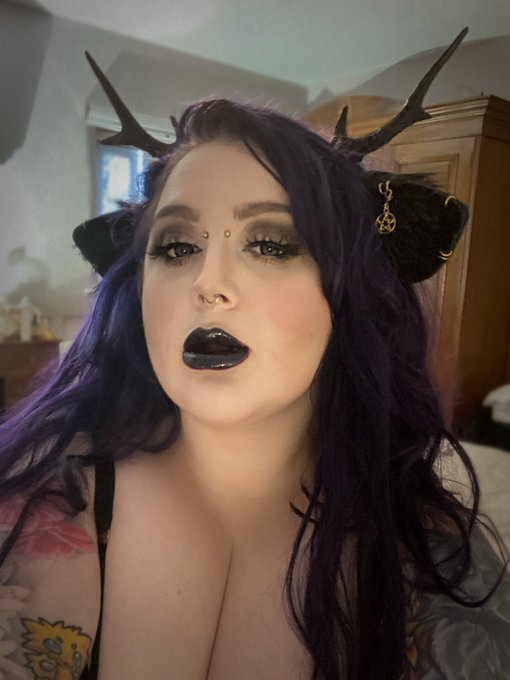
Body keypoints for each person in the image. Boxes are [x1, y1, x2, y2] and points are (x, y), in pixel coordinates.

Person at [0, 29, 509, 680]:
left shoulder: (433, 556)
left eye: (270, 244)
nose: (208, 283)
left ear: (350, 292)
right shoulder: (38, 506)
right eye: (177, 247)